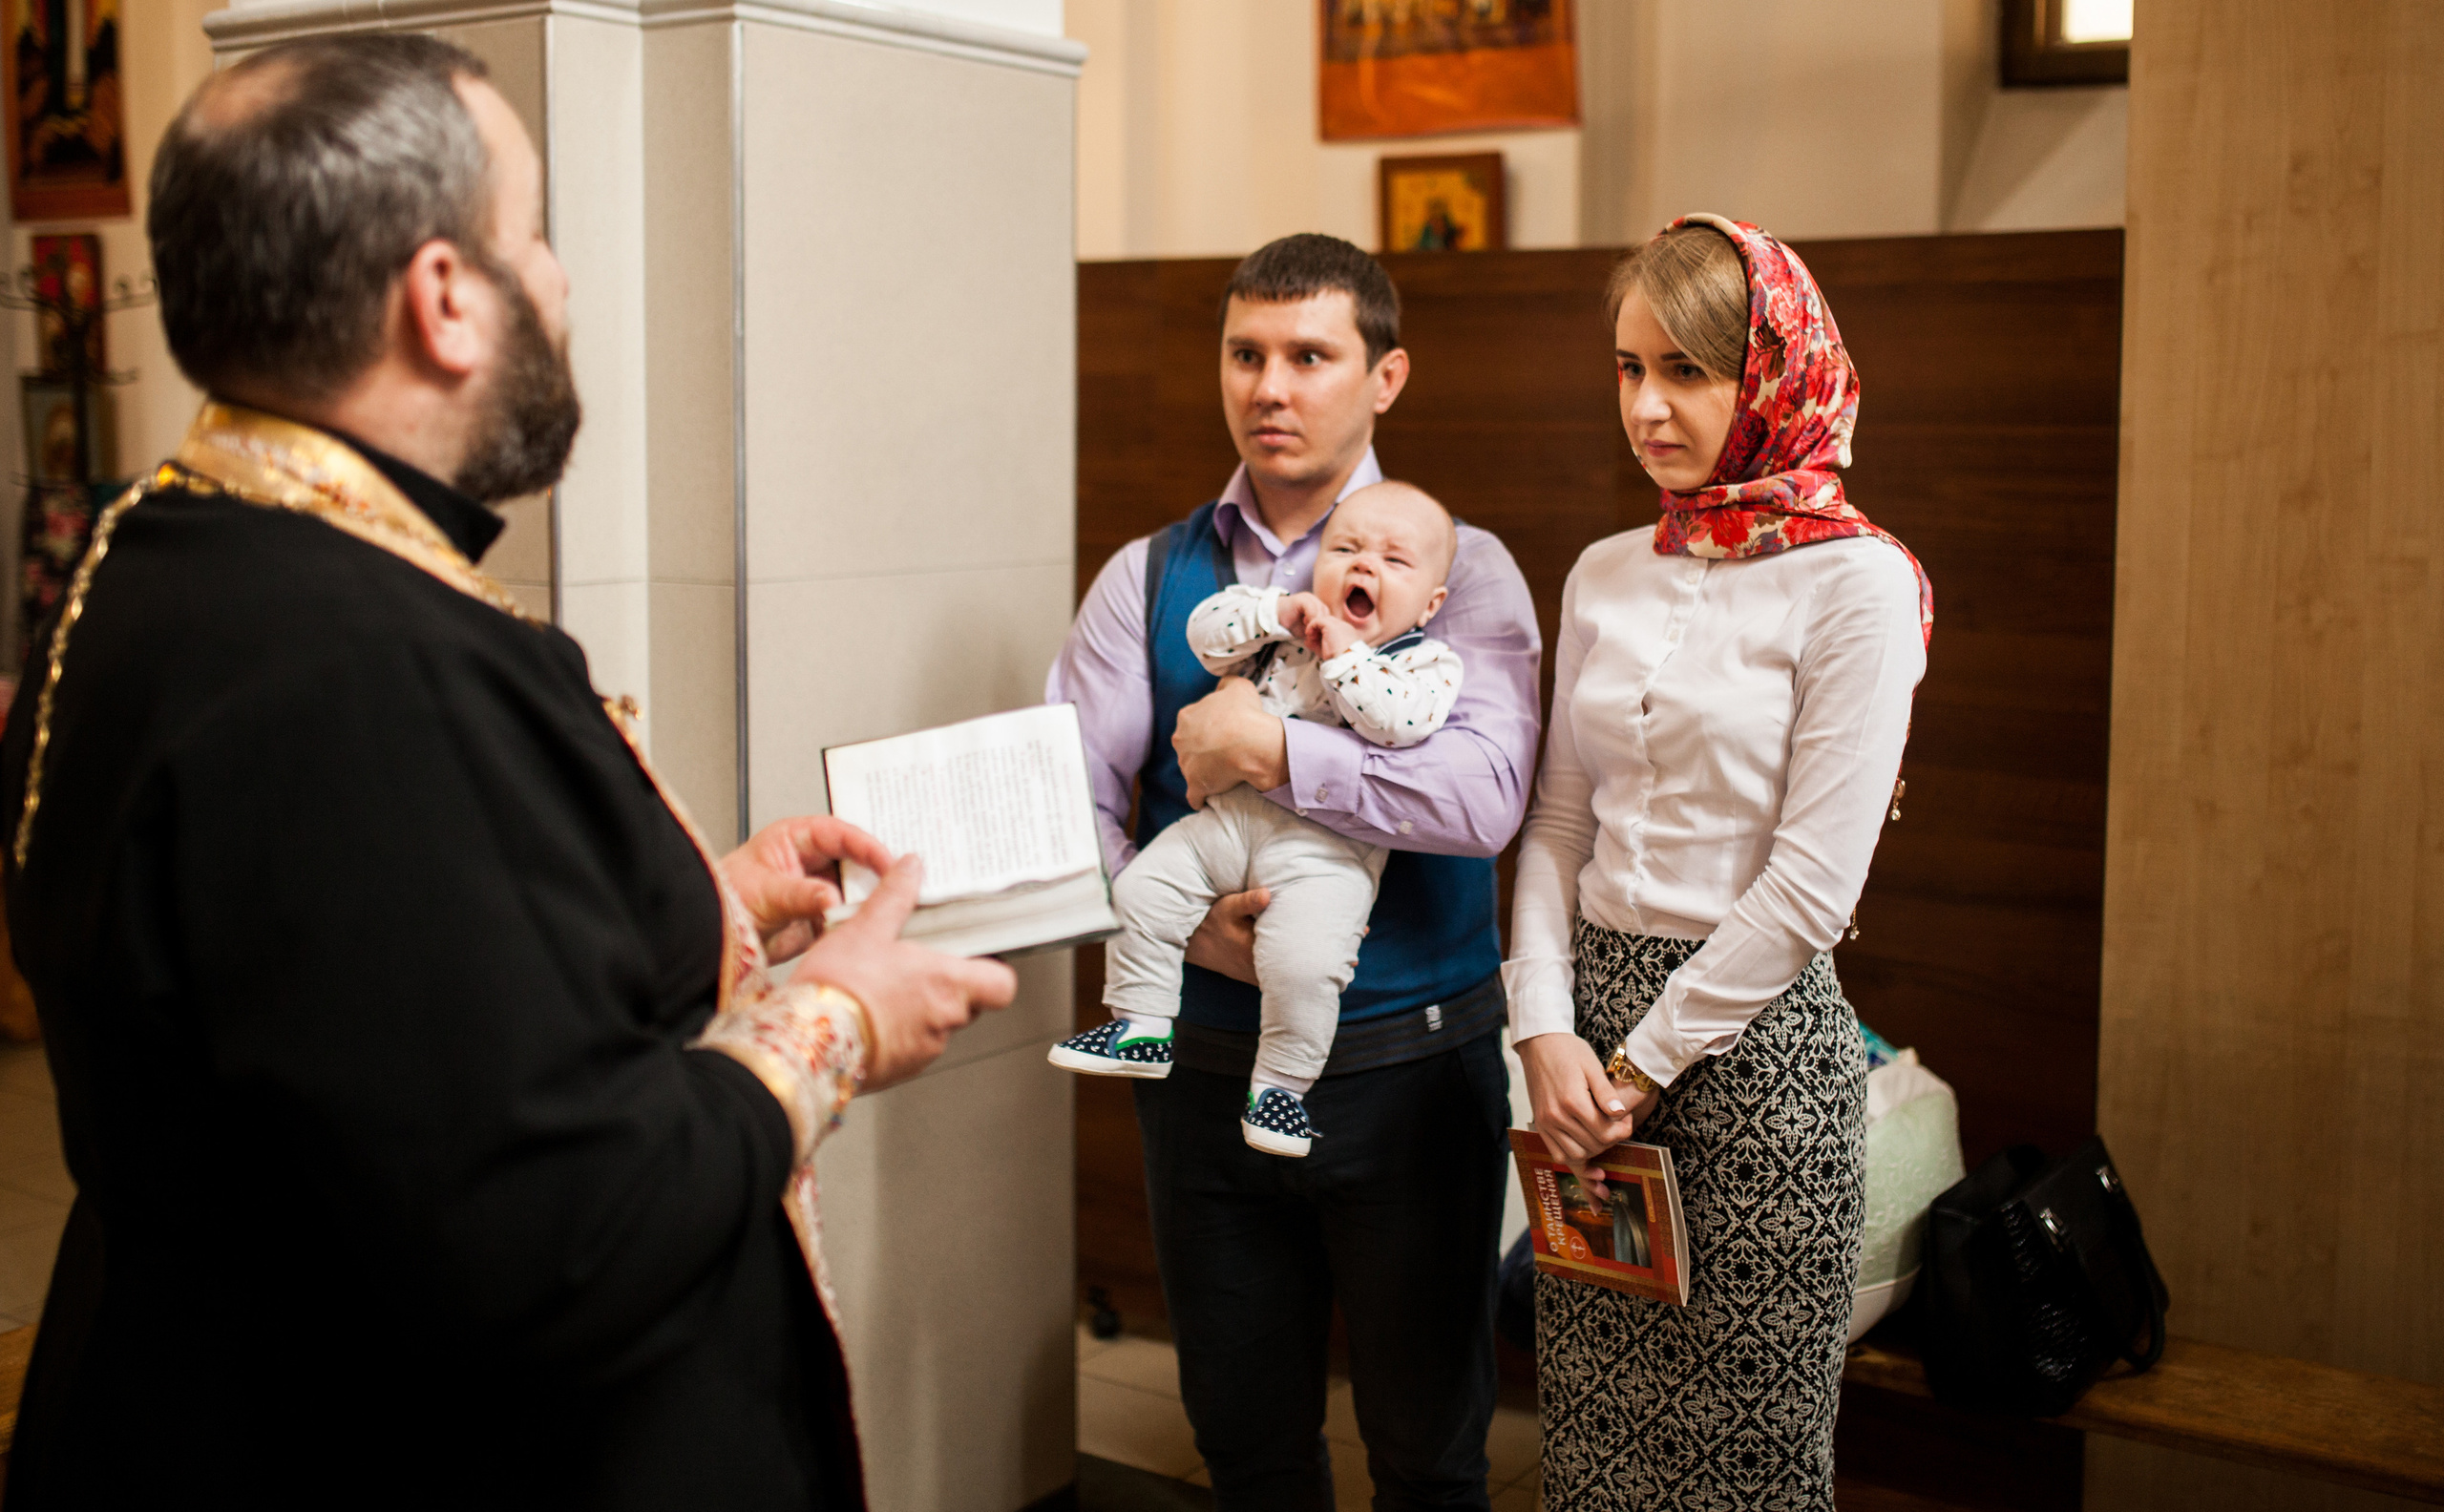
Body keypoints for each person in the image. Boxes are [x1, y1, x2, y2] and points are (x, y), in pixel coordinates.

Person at [0, 37, 1013, 1509]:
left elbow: (365, 999)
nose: (562, 279)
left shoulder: (168, 543)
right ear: (444, 298)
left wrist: (699, 906)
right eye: (534, 232)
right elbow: (553, 1227)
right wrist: (837, 1022)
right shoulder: (357, 661)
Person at [1046, 234, 1541, 1510]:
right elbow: (1081, 803)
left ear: (1384, 377)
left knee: (1430, 1455)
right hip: (1205, 1078)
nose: (1271, 386)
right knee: (1248, 1450)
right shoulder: (1151, 578)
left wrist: (1272, 745)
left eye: (1310, 356)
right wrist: (1179, 921)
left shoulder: (1459, 570)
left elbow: (1483, 798)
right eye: (1247, 353)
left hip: (1414, 1072)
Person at [1506, 215, 1929, 1510]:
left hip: (1750, 1067)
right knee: (1590, 1451)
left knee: (1739, 1465)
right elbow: (1557, 827)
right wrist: (1544, 1035)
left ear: (1773, 373)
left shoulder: (1856, 584)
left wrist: (1636, 1064)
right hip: (1583, 1064)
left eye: (1688, 370)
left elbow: (1813, 885)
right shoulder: (1603, 572)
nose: (1648, 406)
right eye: (1630, 369)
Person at [1049, 481, 1465, 1160]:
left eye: (1394, 562)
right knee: (1141, 891)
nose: (1363, 567)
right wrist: (1278, 609)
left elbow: (1399, 722)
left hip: (1326, 854)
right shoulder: (1286, 638)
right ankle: (1141, 1024)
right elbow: (1206, 637)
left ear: (1431, 603)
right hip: (1229, 821)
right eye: (1345, 549)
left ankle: (1280, 1088)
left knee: (1304, 963)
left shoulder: (1425, 662)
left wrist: (1343, 655)